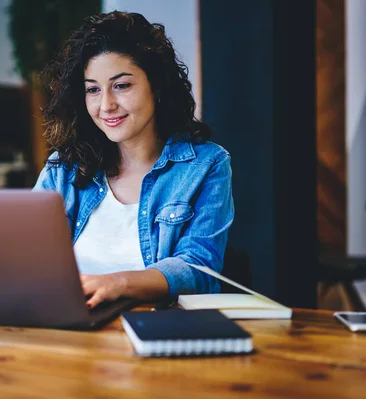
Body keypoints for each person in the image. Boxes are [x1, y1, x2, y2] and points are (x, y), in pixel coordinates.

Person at [34, 11, 234, 309]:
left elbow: (198, 269)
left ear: (157, 85)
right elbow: (30, 256)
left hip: (160, 331)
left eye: (122, 85)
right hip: (69, 332)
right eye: (93, 89)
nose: (106, 105)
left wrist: (117, 283)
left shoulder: (206, 164)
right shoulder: (63, 168)